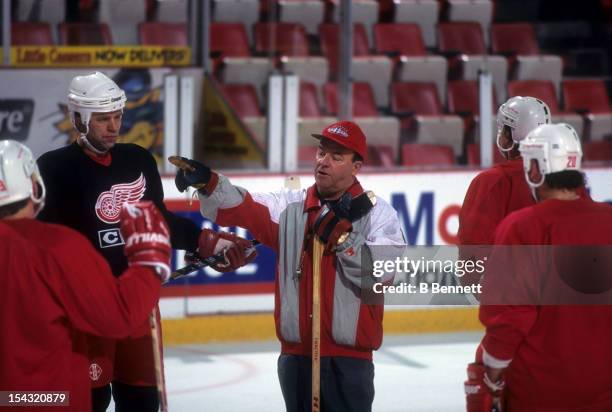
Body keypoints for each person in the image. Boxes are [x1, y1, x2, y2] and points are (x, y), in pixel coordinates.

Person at [36, 71, 254, 412]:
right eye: (103, 119)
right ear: (79, 119)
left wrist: (205, 241)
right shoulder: (54, 168)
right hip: (83, 313)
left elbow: (158, 221)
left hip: (137, 308)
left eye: (118, 117)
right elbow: (44, 245)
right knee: (88, 400)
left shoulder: (137, 159)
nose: (113, 127)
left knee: (142, 402)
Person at [172, 120, 405, 411]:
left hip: (350, 363)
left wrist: (344, 241)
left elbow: (382, 275)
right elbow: (243, 206)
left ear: (356, 166)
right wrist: (209, 183)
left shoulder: (378, 214)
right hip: (296, 359)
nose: (324, 162)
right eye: (321, 153)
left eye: (336, 157)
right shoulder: (290, 208)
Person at [0, 140, 171, 411]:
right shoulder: (58, 246)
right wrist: (149, 262)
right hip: (53, 401)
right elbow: (119, 316)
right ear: (33, 185)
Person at [466, 123, 612, 411]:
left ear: (535, 169)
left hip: (537, 392)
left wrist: (492, 375)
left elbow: (509, 317)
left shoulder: (523, 226)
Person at [458, 96, 551, 283]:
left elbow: (472, 256)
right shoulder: (566, 179)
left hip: (512, 300)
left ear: (509, 136)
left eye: (503, 130)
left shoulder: (492, 181)